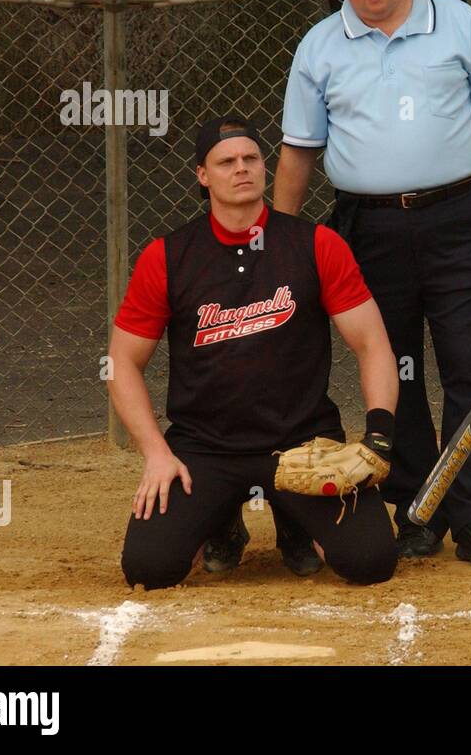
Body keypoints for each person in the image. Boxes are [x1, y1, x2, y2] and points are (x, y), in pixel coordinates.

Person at [272, 0, 471, 566]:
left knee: (468, 367)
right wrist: (278, 238)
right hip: (368, 226)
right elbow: (298, 152)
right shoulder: (320, 46)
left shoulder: (457, 23)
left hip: (457, 217)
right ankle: (419, 509)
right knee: (395, 370)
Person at [109, 115, 400, 589]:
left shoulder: (315, 244)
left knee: (370, 562)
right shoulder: (167, 256)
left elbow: (372, 343)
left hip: (302, 443)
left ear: (264, 169)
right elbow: (121, 362)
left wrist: (379, 433)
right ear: (203, 176)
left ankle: (294, 520)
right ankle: (220, 517)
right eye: (226, 162)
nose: (241, 169)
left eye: (251, 159)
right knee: (149, 569)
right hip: (205, 446)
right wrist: (156, 453)